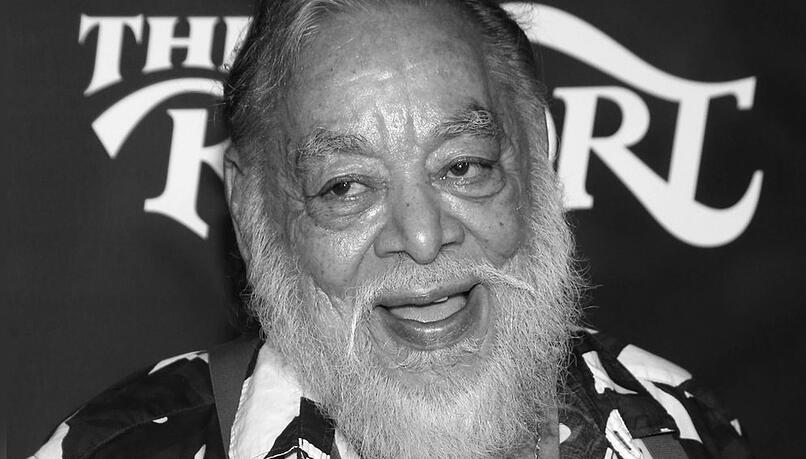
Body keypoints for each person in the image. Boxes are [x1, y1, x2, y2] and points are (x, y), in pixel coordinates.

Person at [33, 1, 750, 457]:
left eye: (463, 166)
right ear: (253, 213)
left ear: (537, 155)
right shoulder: (122, 449)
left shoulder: (678, 426)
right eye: (346, 186)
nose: (423, 237)